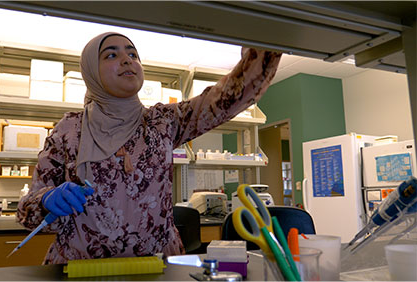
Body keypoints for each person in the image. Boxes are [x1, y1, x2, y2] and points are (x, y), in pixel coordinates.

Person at [17, 31, 281, 264]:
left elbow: (227, 99)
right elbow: (27, 211)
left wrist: (266, 36)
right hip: (80, 269)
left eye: (133, 54)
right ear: (91, 71)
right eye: (111, 55)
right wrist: (46, 199)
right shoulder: (69, 129)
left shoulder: (163, 121)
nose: (127, 59)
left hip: (156, 267)